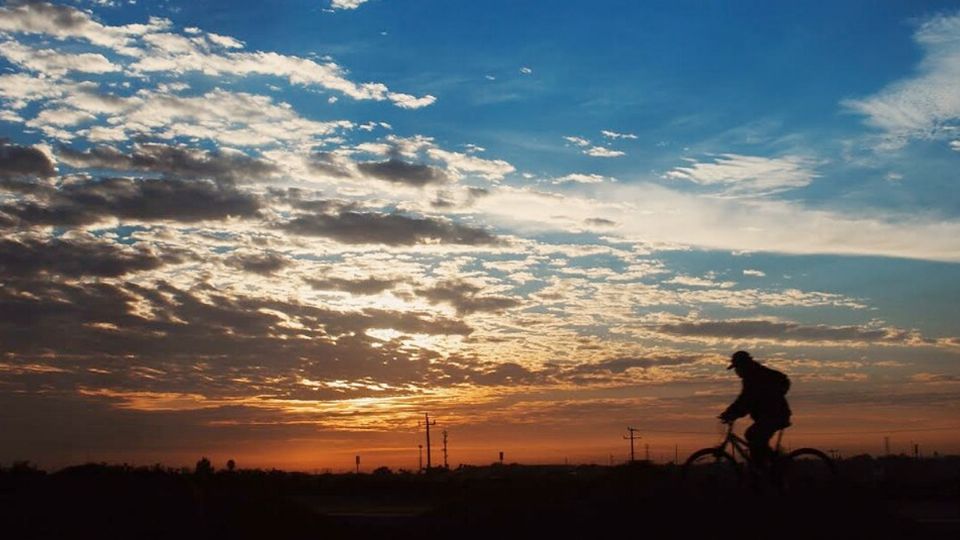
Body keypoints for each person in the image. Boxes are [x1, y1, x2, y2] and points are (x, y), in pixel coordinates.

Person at [719, 351, 791, 466]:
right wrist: (731, 412)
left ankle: (776, 465)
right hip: (768, 416)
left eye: (737, 368)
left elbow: (747, 400)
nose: (736, 372)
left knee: (753, 435)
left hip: (776, 415)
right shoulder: (752, 377)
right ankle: (766, 468)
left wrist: (732, 413)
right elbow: (744, 399)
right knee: (754, 439)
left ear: (744, 365)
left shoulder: (757, 376)